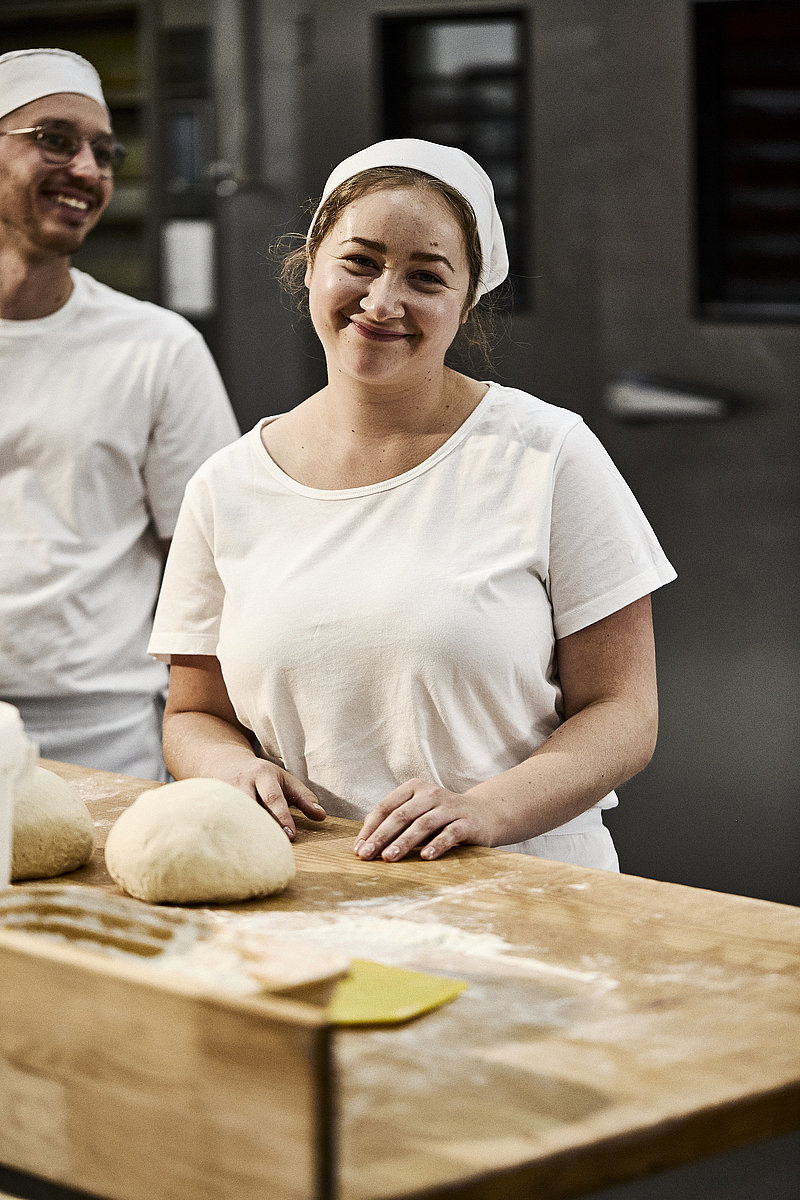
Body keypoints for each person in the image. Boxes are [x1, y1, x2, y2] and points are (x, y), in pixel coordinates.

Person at [149, 138, 676, 869]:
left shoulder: (545, 456)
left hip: (527, 881)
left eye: (426, 277)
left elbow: (623, 712)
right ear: (310, 265)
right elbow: (194, 712)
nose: (382, 301)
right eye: (359, 262)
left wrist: (485, 810)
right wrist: (228, 770)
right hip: (309, 882)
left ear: (467, 303)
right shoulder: (229, 484)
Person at [0, 48, 240, 780]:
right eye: (55, 140)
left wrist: (212, 735)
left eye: (105, 153)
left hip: (99, 735)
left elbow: (216, 562)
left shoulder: (156, 348)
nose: (87, 169)